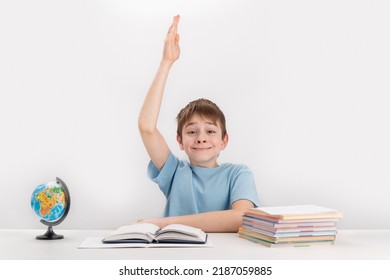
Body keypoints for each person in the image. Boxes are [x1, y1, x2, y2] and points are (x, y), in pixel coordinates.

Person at [138, 15, 259, 232]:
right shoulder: (174, 171)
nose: (201, 137)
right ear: (180, 141)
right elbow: (146, 127)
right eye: (192, 131)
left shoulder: (238, 174)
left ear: (224, 141)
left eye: (210, 131)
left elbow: (241, 217)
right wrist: (166, 62)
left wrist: (162, 223)